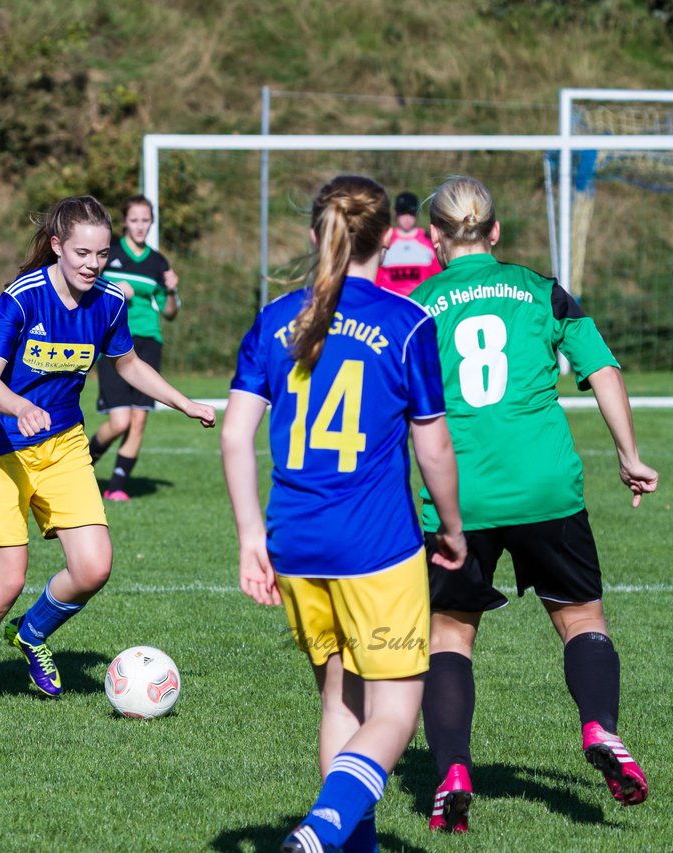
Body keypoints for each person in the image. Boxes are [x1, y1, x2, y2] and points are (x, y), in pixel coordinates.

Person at [221, 175, 466, 852]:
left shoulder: (276, 319)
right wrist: (450, 527)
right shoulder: (407, 322)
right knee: (393, 710)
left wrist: (250, 538)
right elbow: (435, 445)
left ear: (315, 234)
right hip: (376, 547)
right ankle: (326, 827)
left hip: (294, 541)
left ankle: (347, 846)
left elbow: (236, 433)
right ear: (391, 238)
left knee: (339, 699)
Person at [411, 175, 658, 834]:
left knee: (451, 634)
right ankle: (600, 724)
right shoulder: (542, 290)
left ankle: (454, 769)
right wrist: (629, 456)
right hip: (547, 483)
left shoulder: (417, 305)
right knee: (582, 619)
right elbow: (602, 369)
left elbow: (399, 406)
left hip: (460, 493)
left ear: (434, 239)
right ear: (495, 232)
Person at [0, 196, 216, 705]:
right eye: (83, 253)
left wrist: (182, 401)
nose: (92, 264)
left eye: (102, 254)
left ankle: (33, 633)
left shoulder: (109, 303)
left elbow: (128, 365)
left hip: (63, 445)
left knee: (93, 568)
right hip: (1, 449)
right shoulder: (21, 299)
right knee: (6, 582)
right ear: (58, 246)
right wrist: (19, 407)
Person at [87, 195, 182, 501]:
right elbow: (87, 289)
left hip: (148, 340)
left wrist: (171, 289)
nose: (140, 226)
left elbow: (170, 312)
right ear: (125, 221)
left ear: (151, 222)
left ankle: (116, 487)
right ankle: (83, 466)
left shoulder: (157, 262)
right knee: (119, 421)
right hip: (114, 340)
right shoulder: (108, 253)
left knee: (139, 418)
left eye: (146, 220)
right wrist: (115, 290)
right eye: (135, 220)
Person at [374, 191, 442, 296]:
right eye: (403, 213)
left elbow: (438, 278)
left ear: (417, 214)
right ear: (395, 213)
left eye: (411, 213)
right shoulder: (385, 240)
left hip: (420, 304)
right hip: (390, 304)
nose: (407, 218)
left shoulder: (429, 241)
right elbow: (376, 279)